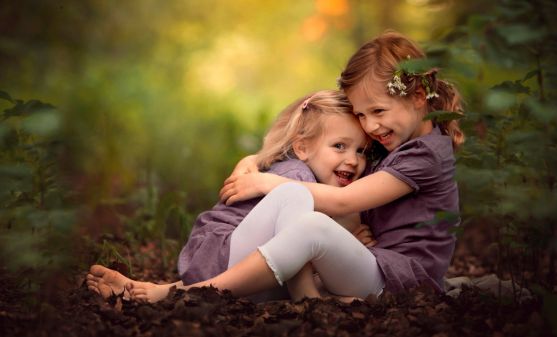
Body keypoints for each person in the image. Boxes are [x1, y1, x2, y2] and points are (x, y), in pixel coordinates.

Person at [219, 30, 465, 295]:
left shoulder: (426, 155)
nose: (370, 125)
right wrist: (255, 159)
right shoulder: (392, 141)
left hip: (402, 279)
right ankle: (199, 288)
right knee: (305, 221)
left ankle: (205, 290)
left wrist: (267, 182)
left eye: (378, 111)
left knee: (312, 227)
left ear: (417, 96)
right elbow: (318, 155)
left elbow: (344, 200)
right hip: (375, 264)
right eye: (361, 114)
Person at [86, 89, 375, 303]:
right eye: (339, 146)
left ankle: (138, 292)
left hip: (238, 265)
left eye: (361, 151)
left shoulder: (301, 176)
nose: (352, 160)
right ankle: (306, 299)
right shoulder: (295, 175)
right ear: (302, 148)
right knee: (294, 196)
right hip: (221, 253)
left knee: (341, 291)